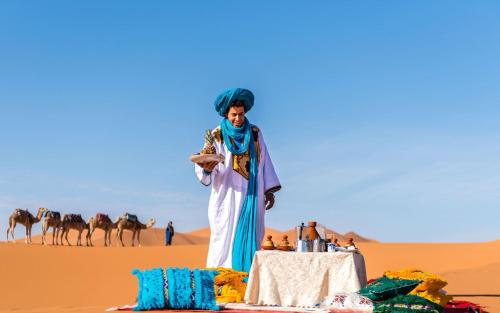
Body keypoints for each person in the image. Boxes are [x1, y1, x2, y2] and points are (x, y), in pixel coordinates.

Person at [195, 88, 281, 272]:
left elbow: (264, 161)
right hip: (226, 199)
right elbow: (206, 161)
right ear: (226, 114)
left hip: (252, 197)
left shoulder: (256, 134)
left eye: (241, 114)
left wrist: (269, 191)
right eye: (234, 114)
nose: (238, 119)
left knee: (255, 238)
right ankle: (220, 284)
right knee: (223, 240)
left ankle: (249, 283)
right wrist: (207, 169)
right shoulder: (217, 135)